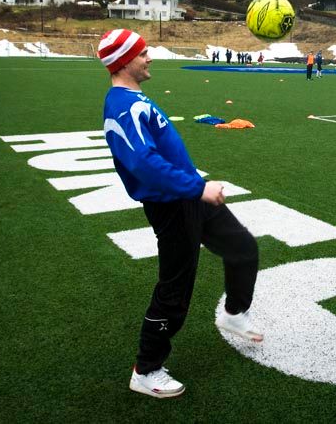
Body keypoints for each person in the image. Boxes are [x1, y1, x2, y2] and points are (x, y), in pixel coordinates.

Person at [98, 29, 263, 399]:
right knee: (174, 289)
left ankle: (235, 313)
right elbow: (142, 163)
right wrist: (197, 188)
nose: (149, 58)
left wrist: (195, 187)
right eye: (142, 53)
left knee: (242, 248)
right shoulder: (123, 106)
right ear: (123, 62)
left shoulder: (134, 98)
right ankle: (146, 370)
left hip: (190, 194)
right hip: (172, 205)